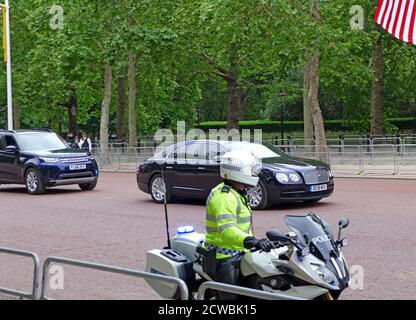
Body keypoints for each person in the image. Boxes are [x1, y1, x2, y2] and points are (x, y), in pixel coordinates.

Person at [202, 149, 273, 300]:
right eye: (251, 170)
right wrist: (249, 240)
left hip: (242, 250)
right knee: (233, 300)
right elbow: (227, 230)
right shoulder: (224, 197)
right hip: (224, 256)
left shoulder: (238, 192)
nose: (254, 174)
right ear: (238, 171)